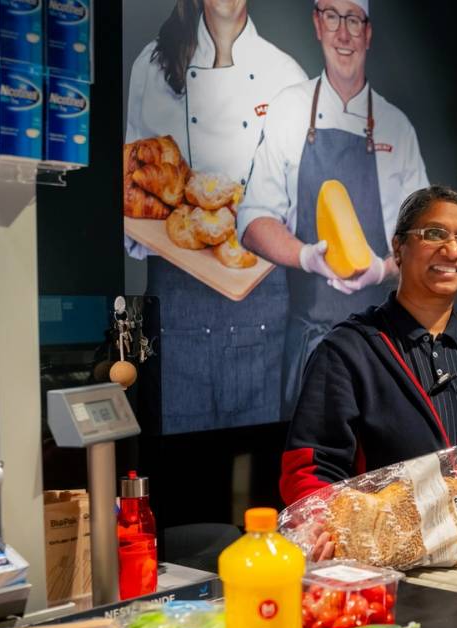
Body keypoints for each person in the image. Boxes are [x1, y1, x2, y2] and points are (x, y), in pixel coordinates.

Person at [280, 186, 457, 557]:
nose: (452, 251)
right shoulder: (347, 350)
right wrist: (318, 525)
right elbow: (309, 467)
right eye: (434, 234)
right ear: (398, 248)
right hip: (382, 567)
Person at [238, 0, 429, 421]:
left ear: (368, 32)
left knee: (383, 470)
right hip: (310, 345)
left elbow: (425, 236)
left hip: (386, 345)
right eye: (332, 17)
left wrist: (383, 267)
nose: (343, 34)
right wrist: (308, 257)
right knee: (313, 471)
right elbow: (253, 221)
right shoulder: (288, 109)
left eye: (354, 20)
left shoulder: (397, 127)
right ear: (317, 24)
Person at [125, 0, 307, 433]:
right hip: (175, 297)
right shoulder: (151, 66)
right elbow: (131, 187)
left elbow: (299, 203)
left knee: (256, 460)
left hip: (259, 299)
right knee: (176, 462)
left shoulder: (285, 75)